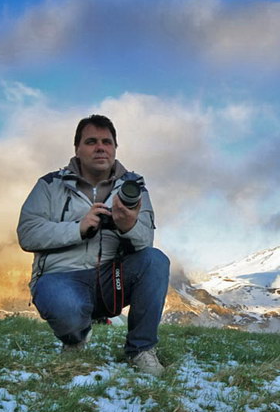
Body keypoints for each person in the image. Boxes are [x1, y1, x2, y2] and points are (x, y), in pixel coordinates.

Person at [17, 114, 170, 375]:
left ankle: (141, 349)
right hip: (61, 277)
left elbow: (145, 241)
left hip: (112, 279)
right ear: (77, 148)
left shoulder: (133, 189)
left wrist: (127, 225)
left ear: (115, 148)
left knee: (155, 260)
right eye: (91, 142)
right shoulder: (49, 185)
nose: (100, 148)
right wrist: (78, 228)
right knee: (65, 306)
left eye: (106, 142)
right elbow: (27, 233)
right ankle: (75, 338)